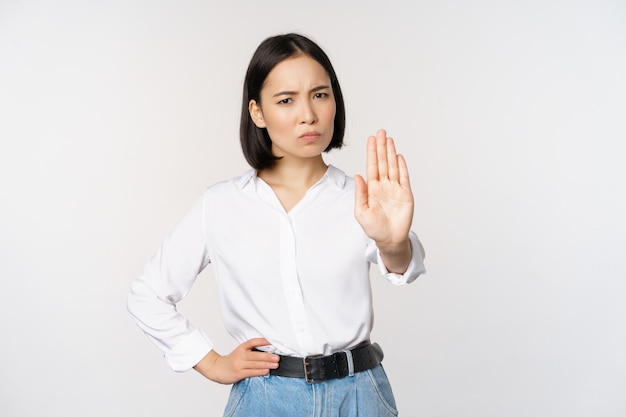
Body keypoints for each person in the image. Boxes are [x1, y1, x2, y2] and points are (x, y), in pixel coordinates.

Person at [127, 32, 426, 417]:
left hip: (359, 397)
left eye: (320, 94)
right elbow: (147, 294)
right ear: (258, 112)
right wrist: (210, 361)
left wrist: (393, 243)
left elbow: (404, 266)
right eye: (286, 100)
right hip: (266, 400)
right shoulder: (220, 205)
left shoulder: (360, 198)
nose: (308, 114)